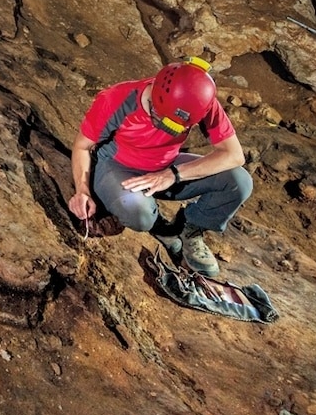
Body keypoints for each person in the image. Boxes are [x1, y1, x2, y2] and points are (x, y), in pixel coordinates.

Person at [66, 58, 253, 277]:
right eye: (164, 122)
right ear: (154, 96)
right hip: (118, 167)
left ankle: (190, 229)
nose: (171, 131)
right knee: (139, 214)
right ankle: (160, 226)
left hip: (167, 167)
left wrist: (173, 174)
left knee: (238, 182)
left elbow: (234, 155)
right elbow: (82, 146)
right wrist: (82, 191)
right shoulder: (116, 99)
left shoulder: (199, 99)